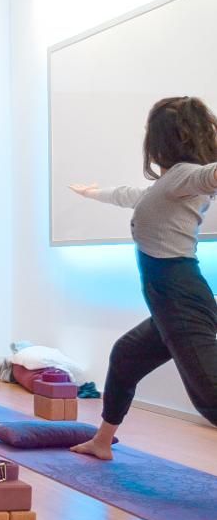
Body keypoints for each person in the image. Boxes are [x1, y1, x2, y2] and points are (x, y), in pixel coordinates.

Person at [69, 96, 217, 459]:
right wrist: (92, 193)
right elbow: (129, 195)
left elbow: (208, 175)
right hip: (171, 302)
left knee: (211, 396)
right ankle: (102, 442)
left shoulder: (184, 175)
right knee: (126, 356)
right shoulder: (167, 186)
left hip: (180, 300)